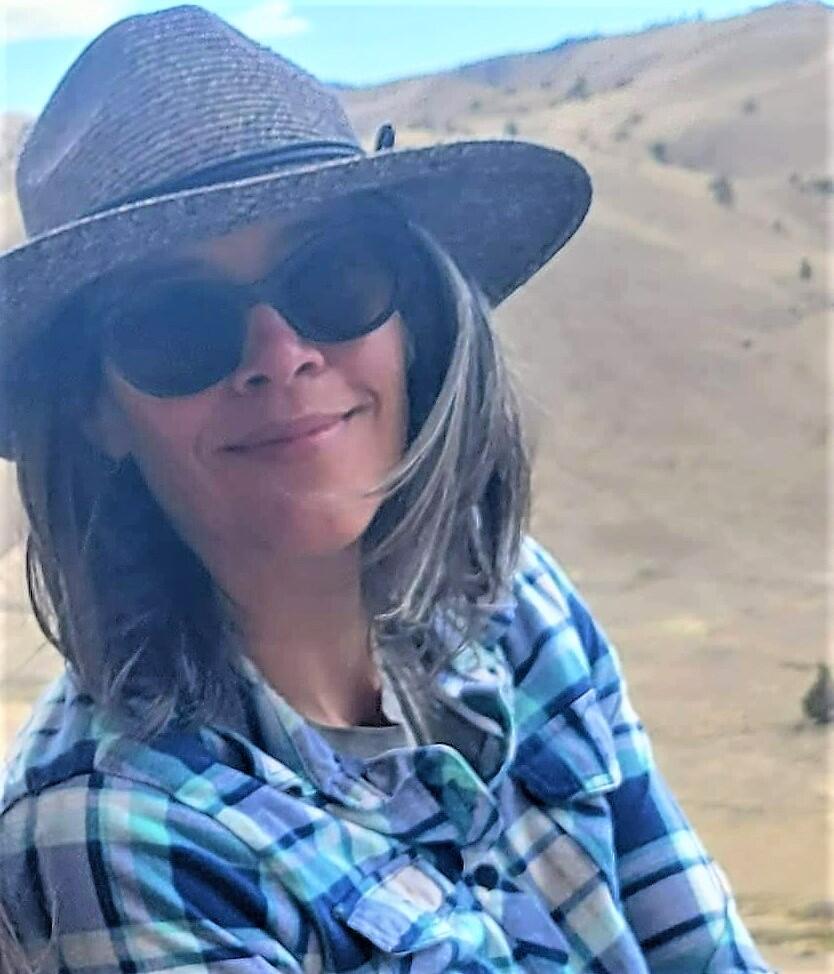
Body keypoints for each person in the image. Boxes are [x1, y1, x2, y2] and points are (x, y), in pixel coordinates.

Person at [0, 6, 773, 973]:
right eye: (174, 324)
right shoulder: (113, 839)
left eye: (333, 277)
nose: (280, 357)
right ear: (95, 412)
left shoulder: (516, 604)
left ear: (416, 317)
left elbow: (698, 947)